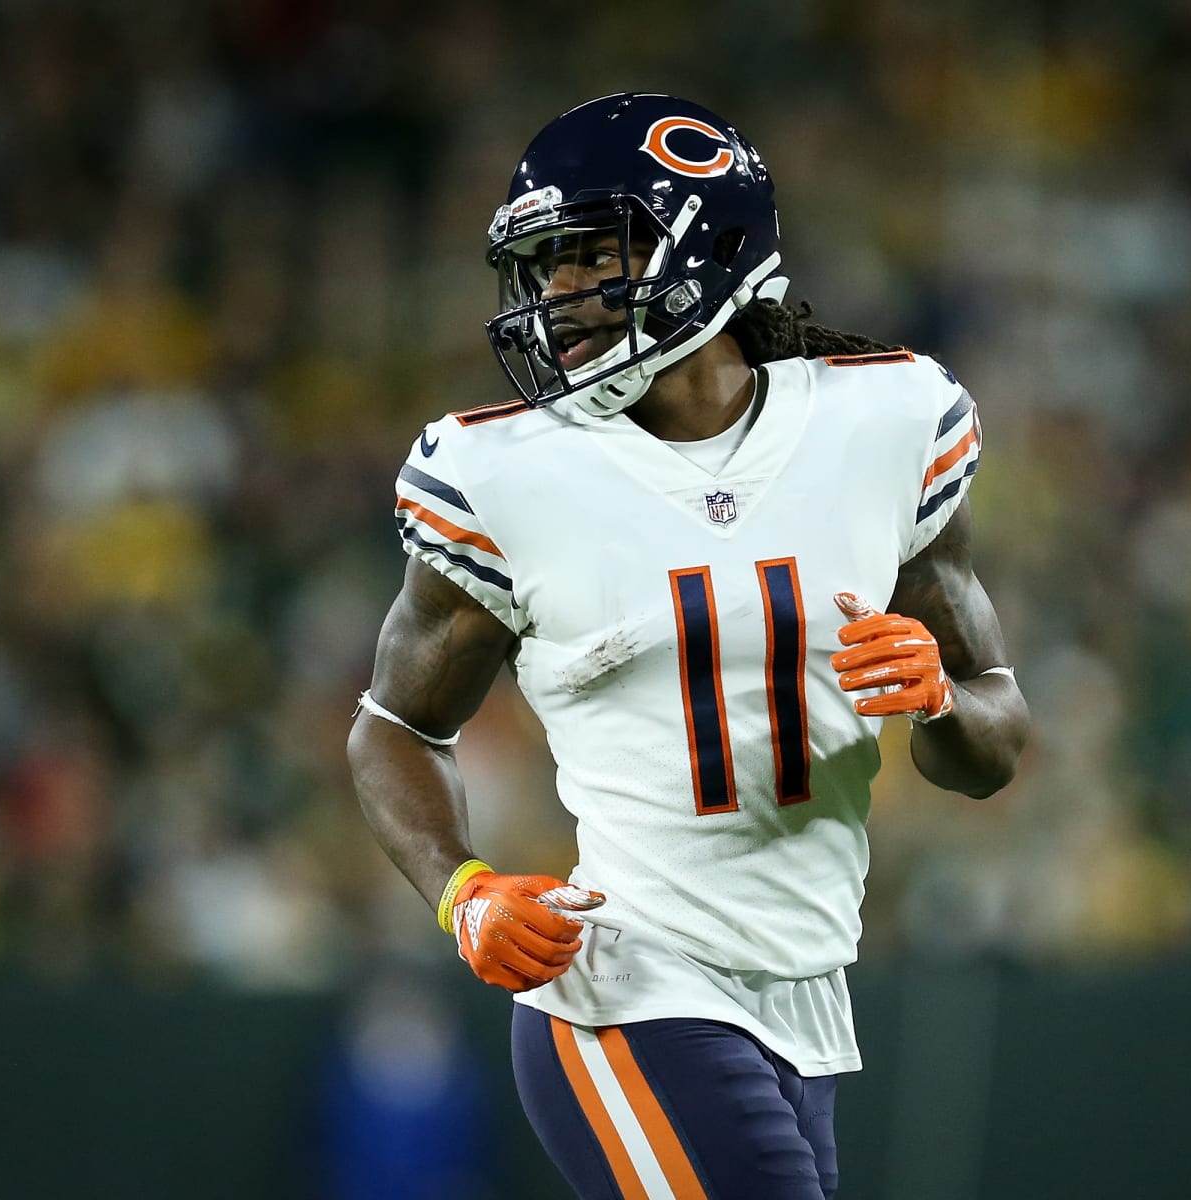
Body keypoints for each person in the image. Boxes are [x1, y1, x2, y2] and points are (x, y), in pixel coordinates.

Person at [348, 92, 1030, 1199]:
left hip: (808, 995)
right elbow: (394, 730)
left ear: (708, 248)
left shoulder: (889, 422)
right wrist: (461, 887)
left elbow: (992, 749)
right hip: (628, 988)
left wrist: (940, 701)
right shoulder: (503, 477)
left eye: (588, 256)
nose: (558, 294)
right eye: (545, 264)